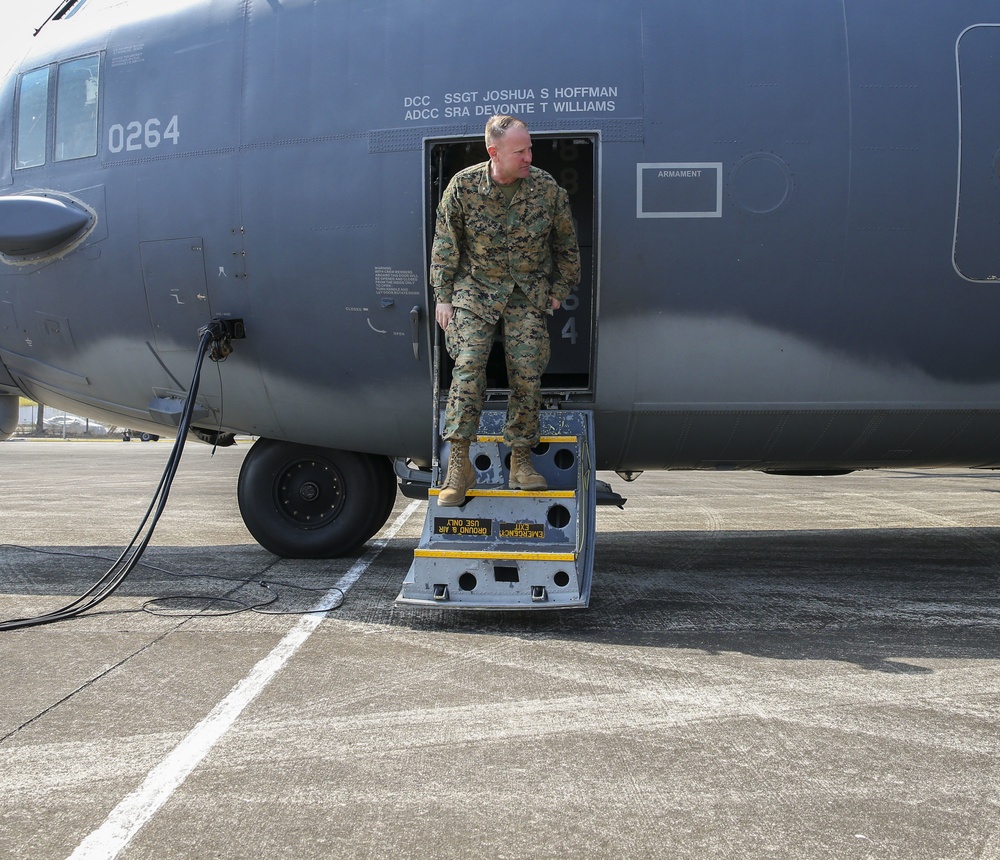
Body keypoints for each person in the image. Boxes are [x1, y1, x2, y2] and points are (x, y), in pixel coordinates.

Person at [431, 115, 581, 507]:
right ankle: (459, 466)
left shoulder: (546, 189)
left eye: (530, 148)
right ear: (494, 152)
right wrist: (443, 296)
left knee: (527, 373)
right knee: (468, 367)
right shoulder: (462, 187)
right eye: (521, 151)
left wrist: (558, 290)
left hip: (527, 290)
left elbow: (567, 246)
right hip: (475, 288)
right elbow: (446, 245)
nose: (529, 156)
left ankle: (521, 461)